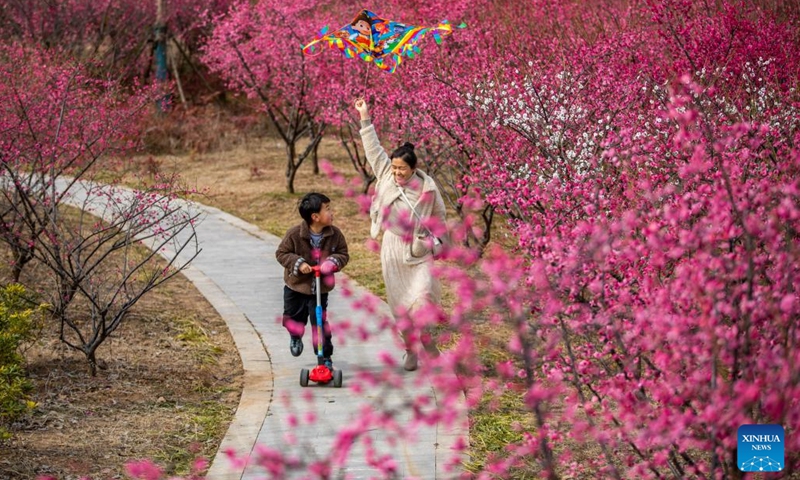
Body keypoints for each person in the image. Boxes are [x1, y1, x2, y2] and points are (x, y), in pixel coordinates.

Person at [354, 97, 446, 371]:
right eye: (394, 168)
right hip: (393, 249)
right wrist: (365, 117)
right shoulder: (385, 174)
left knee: (423, 299)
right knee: (401, 308)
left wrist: (437, 242)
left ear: (413, 169)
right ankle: (410, 350)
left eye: (402, 169)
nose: (397, 173)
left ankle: (429, 346)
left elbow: (439, 218)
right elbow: (373, 149)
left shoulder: (427, 188)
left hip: (418, 250)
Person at [275, 192, 349, 370]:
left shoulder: (335, 234)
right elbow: (282, 253)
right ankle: (295, 335)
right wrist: (298, 263)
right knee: (293, 318)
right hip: (296, 288)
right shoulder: (294, 234)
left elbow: (343, 254)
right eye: (327, 209)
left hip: (320, 290)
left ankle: (325, 357)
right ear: (315, 217)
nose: (332, 212)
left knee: (320, 325)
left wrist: (332, 262)